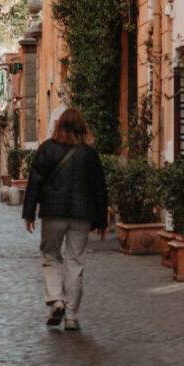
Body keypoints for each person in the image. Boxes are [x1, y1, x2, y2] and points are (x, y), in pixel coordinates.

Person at [23, 107, 109, 332]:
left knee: (51, 256)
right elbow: (99, 188)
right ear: (82, 128)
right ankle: (71, 316)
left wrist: (29, 213)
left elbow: (35, 183)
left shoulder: (46, 150)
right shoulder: (89, 154)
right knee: (75, 262)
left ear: (58, 126)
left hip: (53, 213)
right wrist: (101, 220)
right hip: (82, 215)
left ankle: (56, 299)